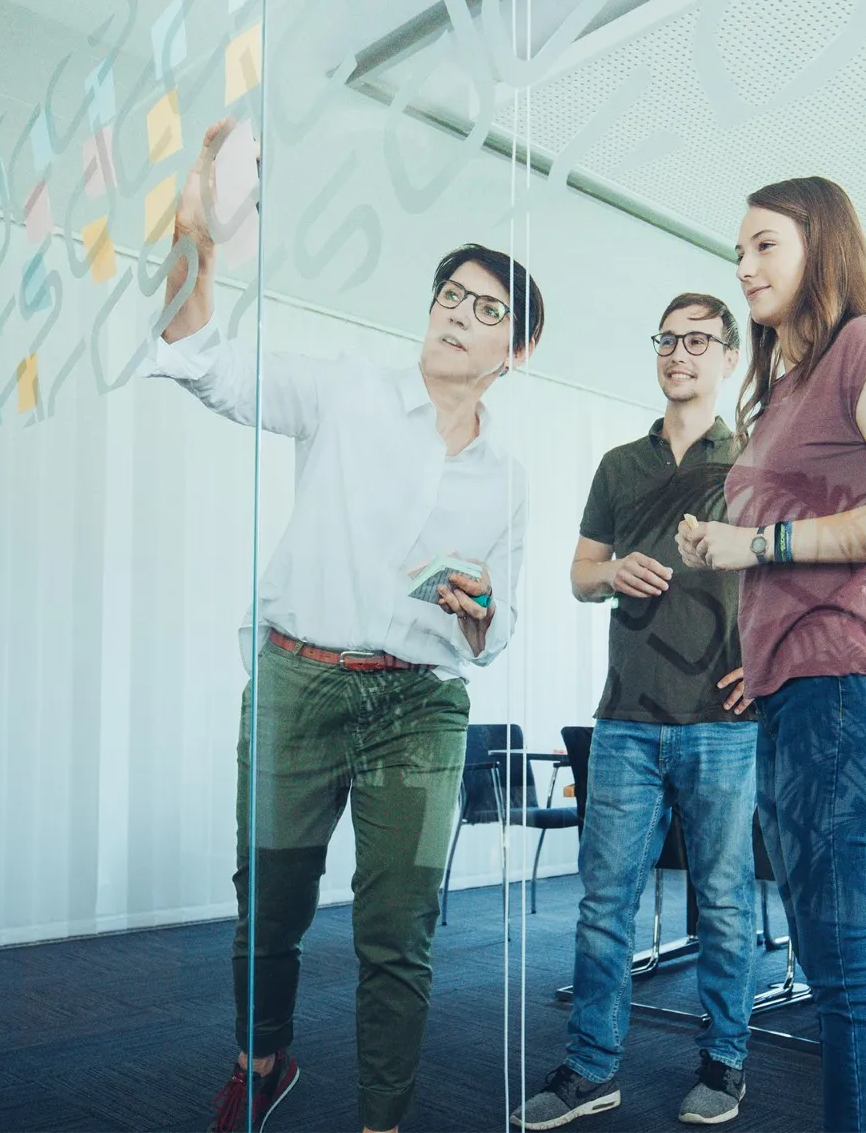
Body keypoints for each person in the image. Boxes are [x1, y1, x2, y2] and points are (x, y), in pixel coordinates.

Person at [144, 119, 543, 1133]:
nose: (458, 315)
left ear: (515, 350)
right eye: (449, 296)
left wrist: (484, 606)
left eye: (485, 308)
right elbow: (203, 361)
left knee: (397, 931)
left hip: (419, 702)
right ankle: (262, 1061)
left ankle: (383, 1122)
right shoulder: (346, 391)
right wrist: (195, 234)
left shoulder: (508, 478)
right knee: (268, 905)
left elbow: (500, 630)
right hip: (298, 681)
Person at [676, 178, 866, 1133]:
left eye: (763, 246)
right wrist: (771, 645)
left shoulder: (865, 349)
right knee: (832, 965)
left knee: (843, 976)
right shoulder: (784, 386)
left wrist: (761, 548)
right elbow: (810, 536)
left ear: (819, 243)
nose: (742, 268)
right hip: (805, 686)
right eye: (737, 251)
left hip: (852, 696)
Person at [514, 293, 759, 1130]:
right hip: (624, 719)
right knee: (602, 904)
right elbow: (579, 573)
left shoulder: (758, 460)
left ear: (729, 355)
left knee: (725, 901)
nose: (679, 353)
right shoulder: (620, 465)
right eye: (667, 339)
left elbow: (792, 579)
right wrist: (612, 573)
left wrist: (767, 666)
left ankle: (726, 1065)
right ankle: (590, 1070)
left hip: (725, 724)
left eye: (698, 340)